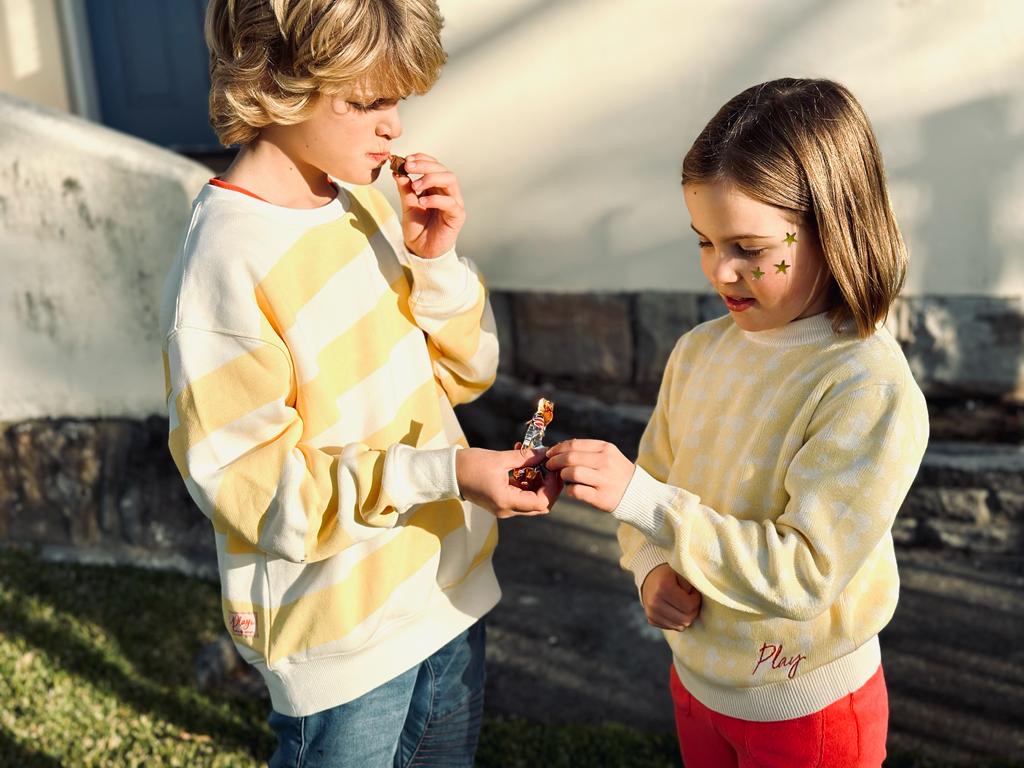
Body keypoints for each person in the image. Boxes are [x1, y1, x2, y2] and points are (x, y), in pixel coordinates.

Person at [159, 1, 558, 765]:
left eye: (396, 99)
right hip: (339, 639)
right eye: (367, 101)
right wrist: (449, 473)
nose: (394, 127)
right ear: (276, 81)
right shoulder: (223, 268)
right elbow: (267, 496)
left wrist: (435, 260)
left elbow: (467, 374)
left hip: (443, 593)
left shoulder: (363, 199)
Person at [545, 78, 929, 768]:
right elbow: (654, 492)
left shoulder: (864, 383)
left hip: (808, 710)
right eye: (704, 241)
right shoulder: (699, 352)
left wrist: (650, 507)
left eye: (749, 249)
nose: (720, 271)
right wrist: (652, 568)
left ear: (835, 228)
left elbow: (806, 572)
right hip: (697, 685)